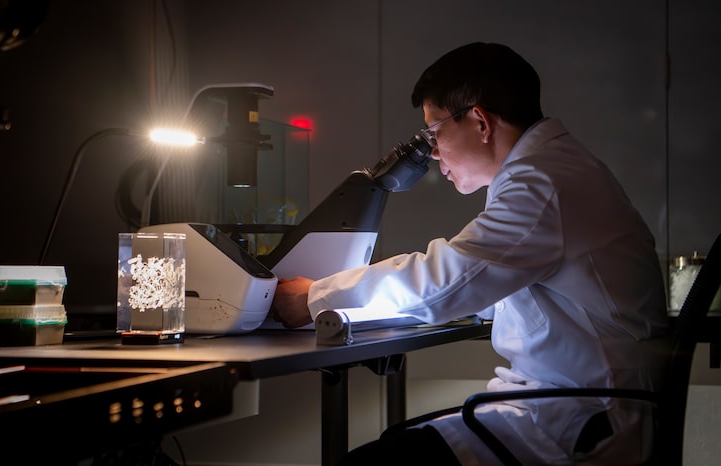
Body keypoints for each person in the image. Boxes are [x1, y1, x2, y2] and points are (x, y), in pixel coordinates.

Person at [271, 42, 670, 465]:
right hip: (571, 405)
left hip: (579, 422)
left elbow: (444, 281)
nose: (434, 152)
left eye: (435, 132)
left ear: (479, 121)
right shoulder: (553, 169)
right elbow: (478, 281)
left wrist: (316, 295)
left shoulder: (541, 183)